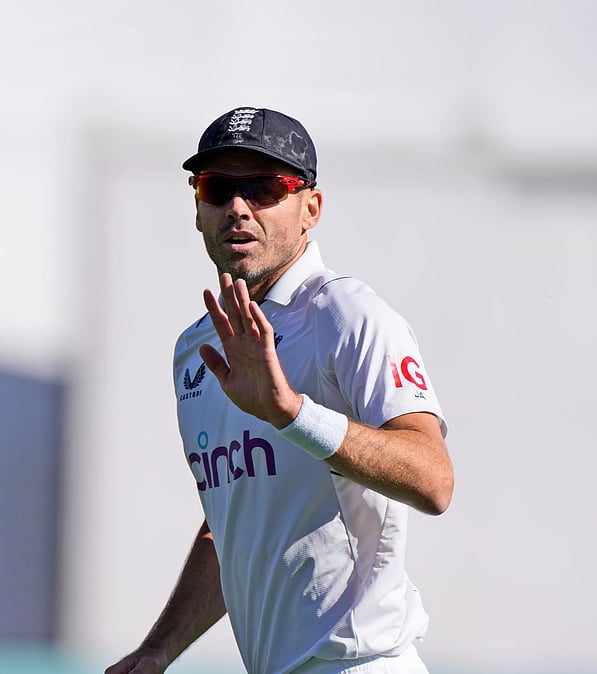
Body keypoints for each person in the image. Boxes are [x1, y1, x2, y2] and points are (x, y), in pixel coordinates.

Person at [106, 107, 454, 674]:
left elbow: (434, 479)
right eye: (218, 187)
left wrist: (292, 412)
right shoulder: (197, 348)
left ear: (310, 207)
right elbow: (234, 523)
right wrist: (158, 648)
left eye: (265, 187)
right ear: (198, 210)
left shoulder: (348, 315)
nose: (238, 207)